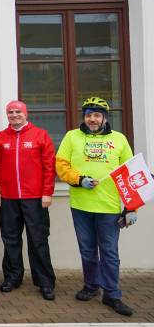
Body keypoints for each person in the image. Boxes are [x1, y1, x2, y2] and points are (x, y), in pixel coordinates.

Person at [55, 96, 135, 316]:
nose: (92, 119)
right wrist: (79, 179)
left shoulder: (119, 139)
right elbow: (61, 164)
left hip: (109, 207)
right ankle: (91, 286)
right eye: (89, 115)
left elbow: (130, 173)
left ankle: (112, 294)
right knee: (88, 251)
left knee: (109, 253)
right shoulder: (72, 136)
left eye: (97, 115)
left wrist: (132, 207)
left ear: (104, 118)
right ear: (84, 117)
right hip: (81, 206)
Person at [0, 100, 56, 300]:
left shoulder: (40, 135)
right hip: (9, 197)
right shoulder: (1, 137)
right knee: (10, 239)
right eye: (10, 112)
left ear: (25, 114)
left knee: (38, 240)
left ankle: (45, 282)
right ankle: (12, 277)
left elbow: (49, 166)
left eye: (18, 111)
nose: (14, 115)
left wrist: (47, 192)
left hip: (35, 198)